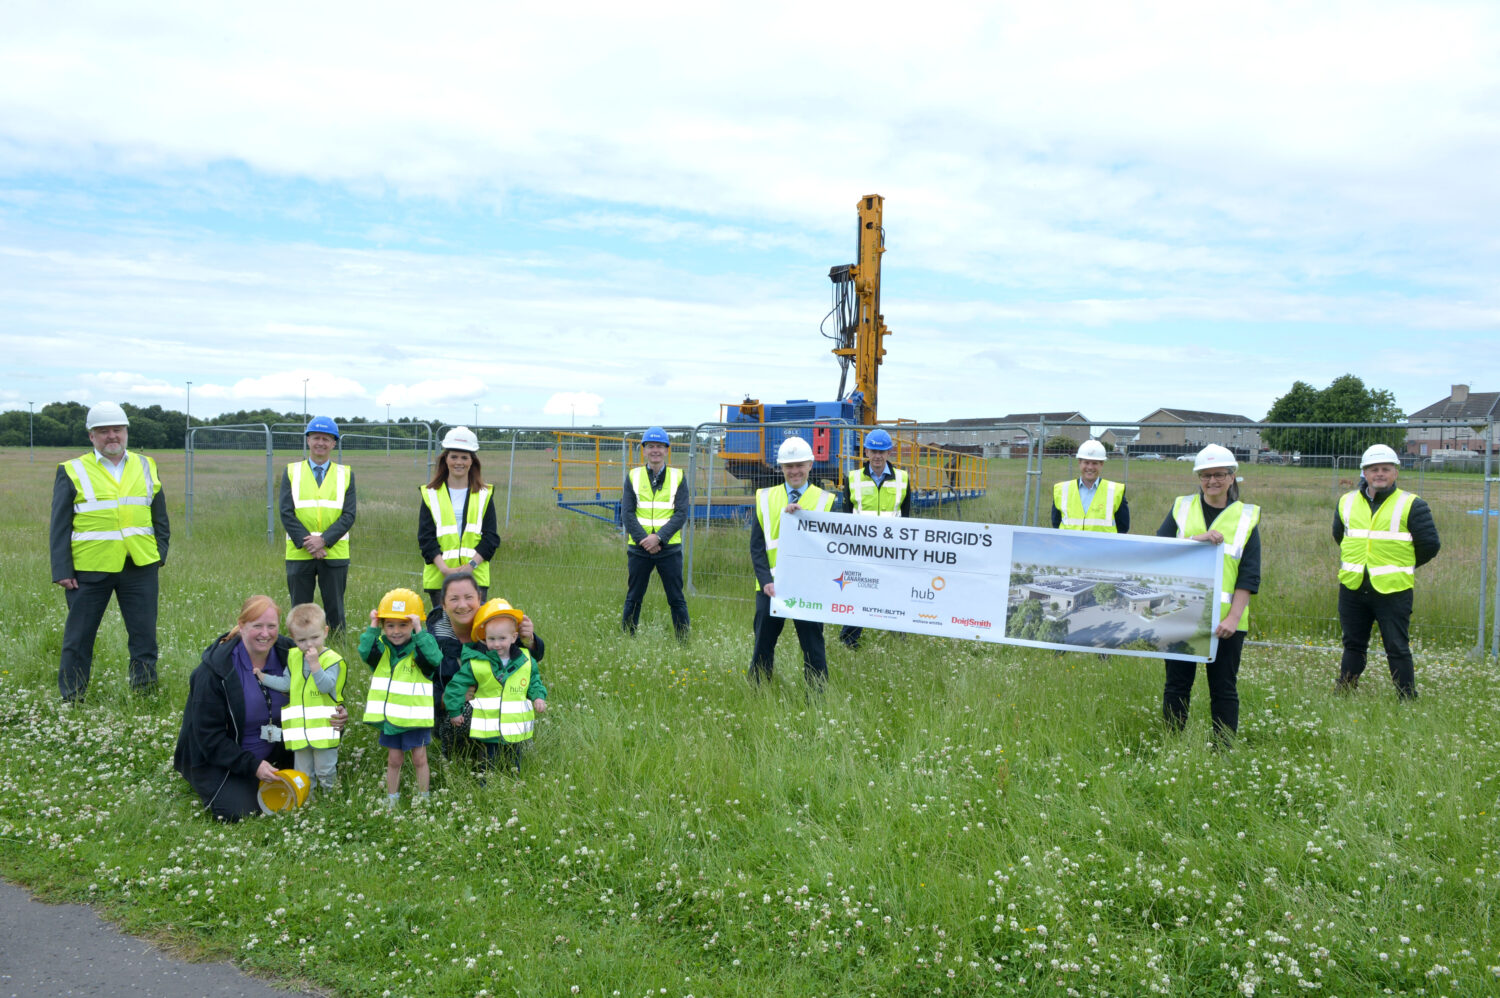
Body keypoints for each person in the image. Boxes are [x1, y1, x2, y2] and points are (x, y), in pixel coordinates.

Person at [173, 596, 347, 821]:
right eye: (257, 626)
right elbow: (209, 738)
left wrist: (338, 713)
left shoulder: (294, 653)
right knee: (240, 811)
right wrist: (252, 766)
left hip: (279, 746)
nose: (265, 633)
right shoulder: (215, 671)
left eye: (271, 626)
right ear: (242, 625)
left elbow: (322, 692)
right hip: (228, 757)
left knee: (294, 795)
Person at [50, 401, 169, 701]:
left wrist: (159, 555)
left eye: (117, 430)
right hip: (89, 568)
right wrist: (62, 570)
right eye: (103, 431)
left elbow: (160, 517)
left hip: (140, 565)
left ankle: (144, 696)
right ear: (91, 436)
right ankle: (72, 699)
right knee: (78, 639)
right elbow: (60, 524)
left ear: (126, 432)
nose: (111, 436)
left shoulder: (146, 464)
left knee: (144, 638)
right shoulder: (72, 470)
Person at [1155, 445, 1261, 740]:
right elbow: (1157, 551)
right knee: (1176, 685)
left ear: (1232, 477)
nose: (1212, 481)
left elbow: (1249, 577)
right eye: (1205, 475)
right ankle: (1171, 743)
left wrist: (1233, 618)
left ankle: (1222, 750)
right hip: (1181, 613)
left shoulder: (1246, 517)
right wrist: (1194, 539)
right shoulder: (1182, 508)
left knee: (1223, 688)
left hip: (1226, 620)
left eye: (1218, 475)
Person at [1333, 444, 1441, 698]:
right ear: (1364, 473)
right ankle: (1345, 692)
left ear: (1395, 473)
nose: (1379, 473)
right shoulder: (1346, 502)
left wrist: (1401, 565)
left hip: (1393, 588)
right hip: (1353, 585)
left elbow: (1430, 545)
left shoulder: (1412, 504)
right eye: (1373, 469)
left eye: (1385, 469)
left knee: (1397, 646)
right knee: (1353, 644)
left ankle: (1406, 698)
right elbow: (1340, 536)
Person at [426, 570, 547, 757]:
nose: (462, 605)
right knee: (464, 711)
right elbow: (418, 685)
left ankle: (511, 743)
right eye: (454, 599)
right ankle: (459, 752)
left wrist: (529, 638)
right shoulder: (430, 639)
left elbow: (525, 661)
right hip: (453, 708)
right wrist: (444, 699)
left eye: (469, 597)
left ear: (479, 597)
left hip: (496, 701)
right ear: (443, 604)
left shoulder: (494, 621)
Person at [749, 436, 837, 688]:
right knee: (762, 645)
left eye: (800, 465)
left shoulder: (825, 501)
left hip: (808, 588)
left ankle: (817, 696)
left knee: (813, 646)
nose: (795, 471)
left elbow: (831, 548)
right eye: (789, 466)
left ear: (810, 464)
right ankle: (758, 692)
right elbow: (757, 546)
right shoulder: (765, 498)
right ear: (781, 468)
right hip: (770, 588)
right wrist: (765, 581)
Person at [359, 588, 443, 807]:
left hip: (415, 719)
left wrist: (419, 630)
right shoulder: (382, 651)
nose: (396, 631)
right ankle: (391, 799)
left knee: (419, 759)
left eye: (403, 625)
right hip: (392, 720)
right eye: (390, 625)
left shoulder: (420, 651)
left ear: (412, 625)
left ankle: (424, 797)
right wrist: (372, 626)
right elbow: (365, 651)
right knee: (394, 760)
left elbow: (434, 657)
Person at [443, 599, 547, 774]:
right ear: (484, 639)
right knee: (487, 759)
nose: (496, 644)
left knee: (514, 760)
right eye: (491, 639)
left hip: (515, 726)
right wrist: (455, 710)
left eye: (502, 638)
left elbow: (534, 680)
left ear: (514, 637)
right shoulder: (478, 662)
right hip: (488, 726)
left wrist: (538, 697)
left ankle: (514, 784)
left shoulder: (526, 659)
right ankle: (485, 784)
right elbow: (457, 684)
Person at [252, 603, 345, 792]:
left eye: (315, 637)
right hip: (300, 731)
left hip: (324, 729)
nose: (309, 644)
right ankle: (306, 801)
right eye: (302, 640)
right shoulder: (294, 657)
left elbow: (327, 686)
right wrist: (264, 678)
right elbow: (286, 683)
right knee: (303, 772)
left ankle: (331, 800)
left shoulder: (332, 659)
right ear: (293, 638)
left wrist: (315, 665)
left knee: (325, 770)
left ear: (325, 632)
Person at [280, 416, 356, 633]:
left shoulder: (346, 474)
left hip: (334, 553)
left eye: (326, 438)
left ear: (334, 443)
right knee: (300, 610)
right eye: (316, 438)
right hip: (299, 552)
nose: (320, 443)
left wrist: (323, 540)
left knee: (335, 609)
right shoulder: (291, 471)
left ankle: (337, 648)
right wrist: (309, 544)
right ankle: (299, 648)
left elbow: (349, 515)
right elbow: (286, 512)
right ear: (307, 440)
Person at [838, 428, 912, 649]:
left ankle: (898, 637)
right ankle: (849, 639)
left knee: (894, 590)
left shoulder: (903, 478)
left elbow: (907, 517)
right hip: (861, 550)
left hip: (892, 549)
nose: (878, 456)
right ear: (866, 452)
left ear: (889, 453)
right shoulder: (852, 479)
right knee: (858, 590)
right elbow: (846, 517)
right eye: (873, 451)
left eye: (882, 451)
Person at [418, 426, 499, 608]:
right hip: (440, 578)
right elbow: (426, 538)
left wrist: (470, 567)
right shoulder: (430, 494)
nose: (459, 462)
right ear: (445, 459)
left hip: (475, 577)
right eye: (454, 456)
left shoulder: (484, 495)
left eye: (464, 457)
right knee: (443, 632)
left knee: (472, 633)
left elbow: (491, 538)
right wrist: (445, 570)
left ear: (472, 461)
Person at [621, 426, 690, 639]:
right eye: (651, 446)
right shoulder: (633, 476)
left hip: (668, 548)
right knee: (634, 597)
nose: (655, 451)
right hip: (639, 548)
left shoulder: (678, 476)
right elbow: (627, 512)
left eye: (660, 446)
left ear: (667, 450)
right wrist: (645, 540)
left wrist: (658, 537)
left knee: (676, 598)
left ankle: (684, 641)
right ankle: (627, 638)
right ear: (644, 450)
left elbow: (681, 512)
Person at [1051, 439, 1129, 533]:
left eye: (1095, 463)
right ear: (1079, 463)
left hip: (1103, 547)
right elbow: (1056, 523)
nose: (1090, 467)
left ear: (1102, 464)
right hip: (1070, 546)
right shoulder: (1062, 490)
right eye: (1086, 462)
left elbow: (1123, 527)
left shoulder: (1115, 491)